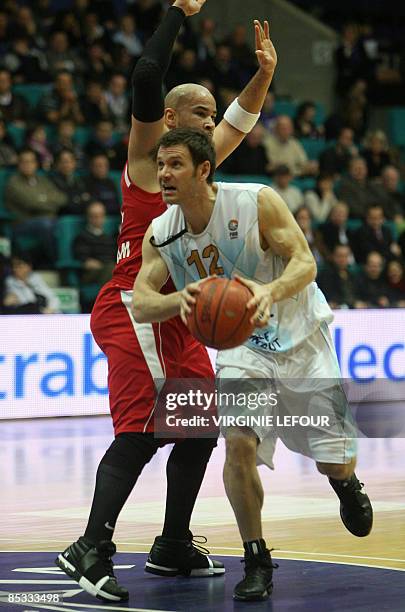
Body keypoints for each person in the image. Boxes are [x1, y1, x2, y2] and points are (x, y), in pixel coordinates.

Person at [55, 0, 278, 603]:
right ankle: (89, 549)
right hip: (136, 305)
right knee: (142, 430)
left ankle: (172, 543)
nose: (212, 122)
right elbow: (147, 77)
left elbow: (242, 121)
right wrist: (179, 12)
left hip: (179, 311)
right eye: (200, 112)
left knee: (200, 427)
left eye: (212, 116)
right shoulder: (154, 162)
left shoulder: (197, 163)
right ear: (171, 116)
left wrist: (262, 75)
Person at [132, 127, 373, 602]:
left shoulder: (254, 202)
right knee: (238, 445)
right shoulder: (162, 232)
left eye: (174, 164)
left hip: (301, 336)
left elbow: (305, 262)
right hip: (243, 347)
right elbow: (141, 302)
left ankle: (345, 484)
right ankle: (256, 556)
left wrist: (268, 291)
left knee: (333, 462)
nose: (163, 173)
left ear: (203, 169)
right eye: (160, 164)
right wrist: (179, 299)